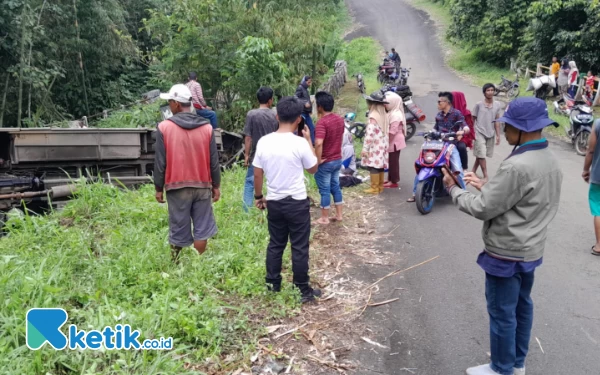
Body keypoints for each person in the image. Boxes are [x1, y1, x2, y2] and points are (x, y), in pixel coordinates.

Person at [441, 97, 563, 375]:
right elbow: (522, 198)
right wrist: (487, 186)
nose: (504, 132)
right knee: (522, 306)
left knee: (501, 313)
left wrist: (452, 189)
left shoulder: (516, 166)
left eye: (508, 126)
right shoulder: (549, 159)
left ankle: (501, 368)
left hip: (505, 252)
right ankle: (516, 363)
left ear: (522, 129)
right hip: (530, 248)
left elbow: (482, 209)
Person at [252, 96, 322, 304]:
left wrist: (258, 196)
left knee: (276, 243)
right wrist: (309, 141)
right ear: (299, 119)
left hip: (274, 202)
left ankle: (272, 284)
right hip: (297, 202)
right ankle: (302, 289)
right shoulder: (299, 143)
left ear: (277, 116)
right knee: (299, 246)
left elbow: (257, 173)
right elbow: (313, 168)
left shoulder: (264, 141)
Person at [155, 84, 221, 262]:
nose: (169, 105)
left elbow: (161, 162)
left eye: (169, 101)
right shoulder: (207, 128)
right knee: (202, 226)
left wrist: (158, 188)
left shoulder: (164, 128)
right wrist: (216, 185)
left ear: (176, 104)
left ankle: (175, 262)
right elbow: (213, 161)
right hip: (202, 185)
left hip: (177, 186)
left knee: (178, 225)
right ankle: (199, 263)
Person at [408, 92, 468, 202]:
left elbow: (465, 126)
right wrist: (431, 133)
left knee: (457, 169)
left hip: (450, 145)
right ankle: (415, 193)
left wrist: (463, 131)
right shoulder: (439, 115)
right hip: (437, 144)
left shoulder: (456, 113)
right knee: (423, 164)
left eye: (440, 101)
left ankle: (464, 194)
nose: (438, 103)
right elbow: (436, 128)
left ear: (447, 102)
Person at [242, 87, 279, 212]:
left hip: (256, 155)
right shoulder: (275, 114)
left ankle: (246, 210)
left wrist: (246, 155)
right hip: (274, 154)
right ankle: (273, 208)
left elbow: (248, 137)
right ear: (270, 100)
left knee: (250, 182)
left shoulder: (251, 114)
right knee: (273, 181)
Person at [313, 91, 345, 225]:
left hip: (326, 161)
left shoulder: (322, 123)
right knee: (335, 187)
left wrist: (318, 160)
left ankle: (324, 217)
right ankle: (339, 215)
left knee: (325, 189)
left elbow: (319, 143)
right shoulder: (339, 119)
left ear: (319, 106)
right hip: (337, 159)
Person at [471, 83, 503, 181]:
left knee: (481, 154)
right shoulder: (478, 105)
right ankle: (485, 176)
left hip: (491, 133)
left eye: (492, 90)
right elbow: (473, 120)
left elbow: (497, 121)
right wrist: (471, 134)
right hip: (479, 132)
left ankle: (472, 172)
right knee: (481, 154)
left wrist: (498, 135)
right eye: (488, 90)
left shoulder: (497, 105)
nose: (490, 92)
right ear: (484, 92)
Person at [361, 92, 390, 195]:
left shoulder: (373, 116)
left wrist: (365, 149)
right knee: (380, 166)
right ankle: (380, 186)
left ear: (372, 104)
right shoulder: (384, 114)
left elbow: (369, 134)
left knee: (373, 166)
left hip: (375, 146)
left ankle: (374, 188)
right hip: (383, 144)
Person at [582, 119, 600, 256]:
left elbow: (590, 150)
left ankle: (599, 245)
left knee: (598, 210)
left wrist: (585, 170)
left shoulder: (598, 123)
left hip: (598, 175)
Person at [383, 92, 406, 189]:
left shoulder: (396, 115)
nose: (385, 105)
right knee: (391, 161)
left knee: (393, 162)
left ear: (393, 103)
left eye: (387, 103)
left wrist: (385, 141)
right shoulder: (392, 112)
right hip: (393, 140)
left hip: (395, 141)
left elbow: (392, 131)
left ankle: (394, 181)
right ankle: (390, 179)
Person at [452, 91, 475, 171]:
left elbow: (469, 127)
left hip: (463, 136)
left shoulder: (466, 113)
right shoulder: (447, 111)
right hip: (449, 135)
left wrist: (461, 135)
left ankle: (464, 168)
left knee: (461, 147)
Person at [295, 75, 316, 144]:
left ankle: (313, 144)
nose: (309, 84)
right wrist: (304, 103)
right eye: (308, 82)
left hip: (306, 113)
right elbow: (295, 98)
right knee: (300, 130)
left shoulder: (305, 89)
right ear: (304, 81)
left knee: (312, 128)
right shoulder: (300, 88)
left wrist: (310, 109)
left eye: (310, 82)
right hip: (302, 113)